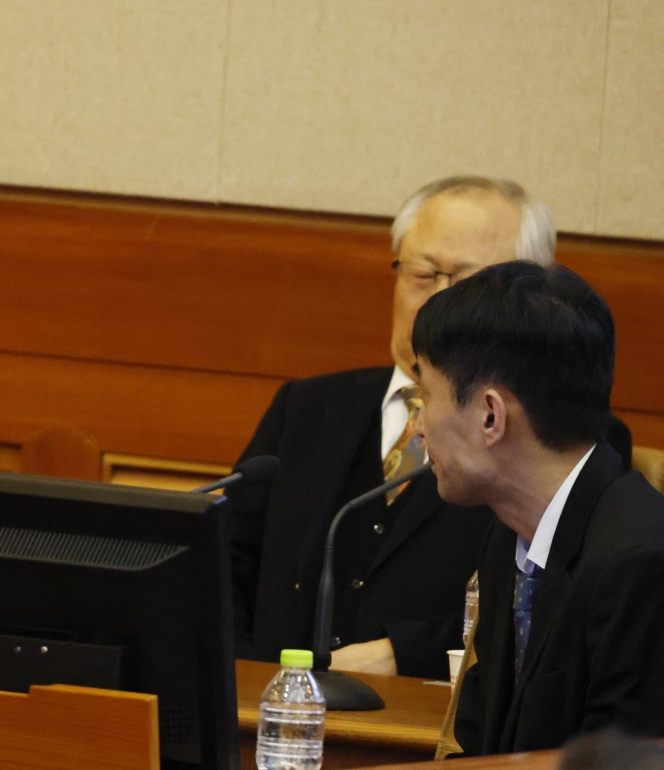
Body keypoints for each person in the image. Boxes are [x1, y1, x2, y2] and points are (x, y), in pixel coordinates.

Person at [227, 176, 631, 680]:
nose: (435, 303)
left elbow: (547, 605)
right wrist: (240, 675)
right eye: (423, 274)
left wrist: (406, 654)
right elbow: (224, 560)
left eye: (465, 283)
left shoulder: (561, 436)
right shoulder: (306, 406)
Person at [415, 261, 664, 753]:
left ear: (491, 415)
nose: (419, 426)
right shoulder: (510, 533)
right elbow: (479, 743)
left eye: (425, 394)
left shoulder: (639, 564)